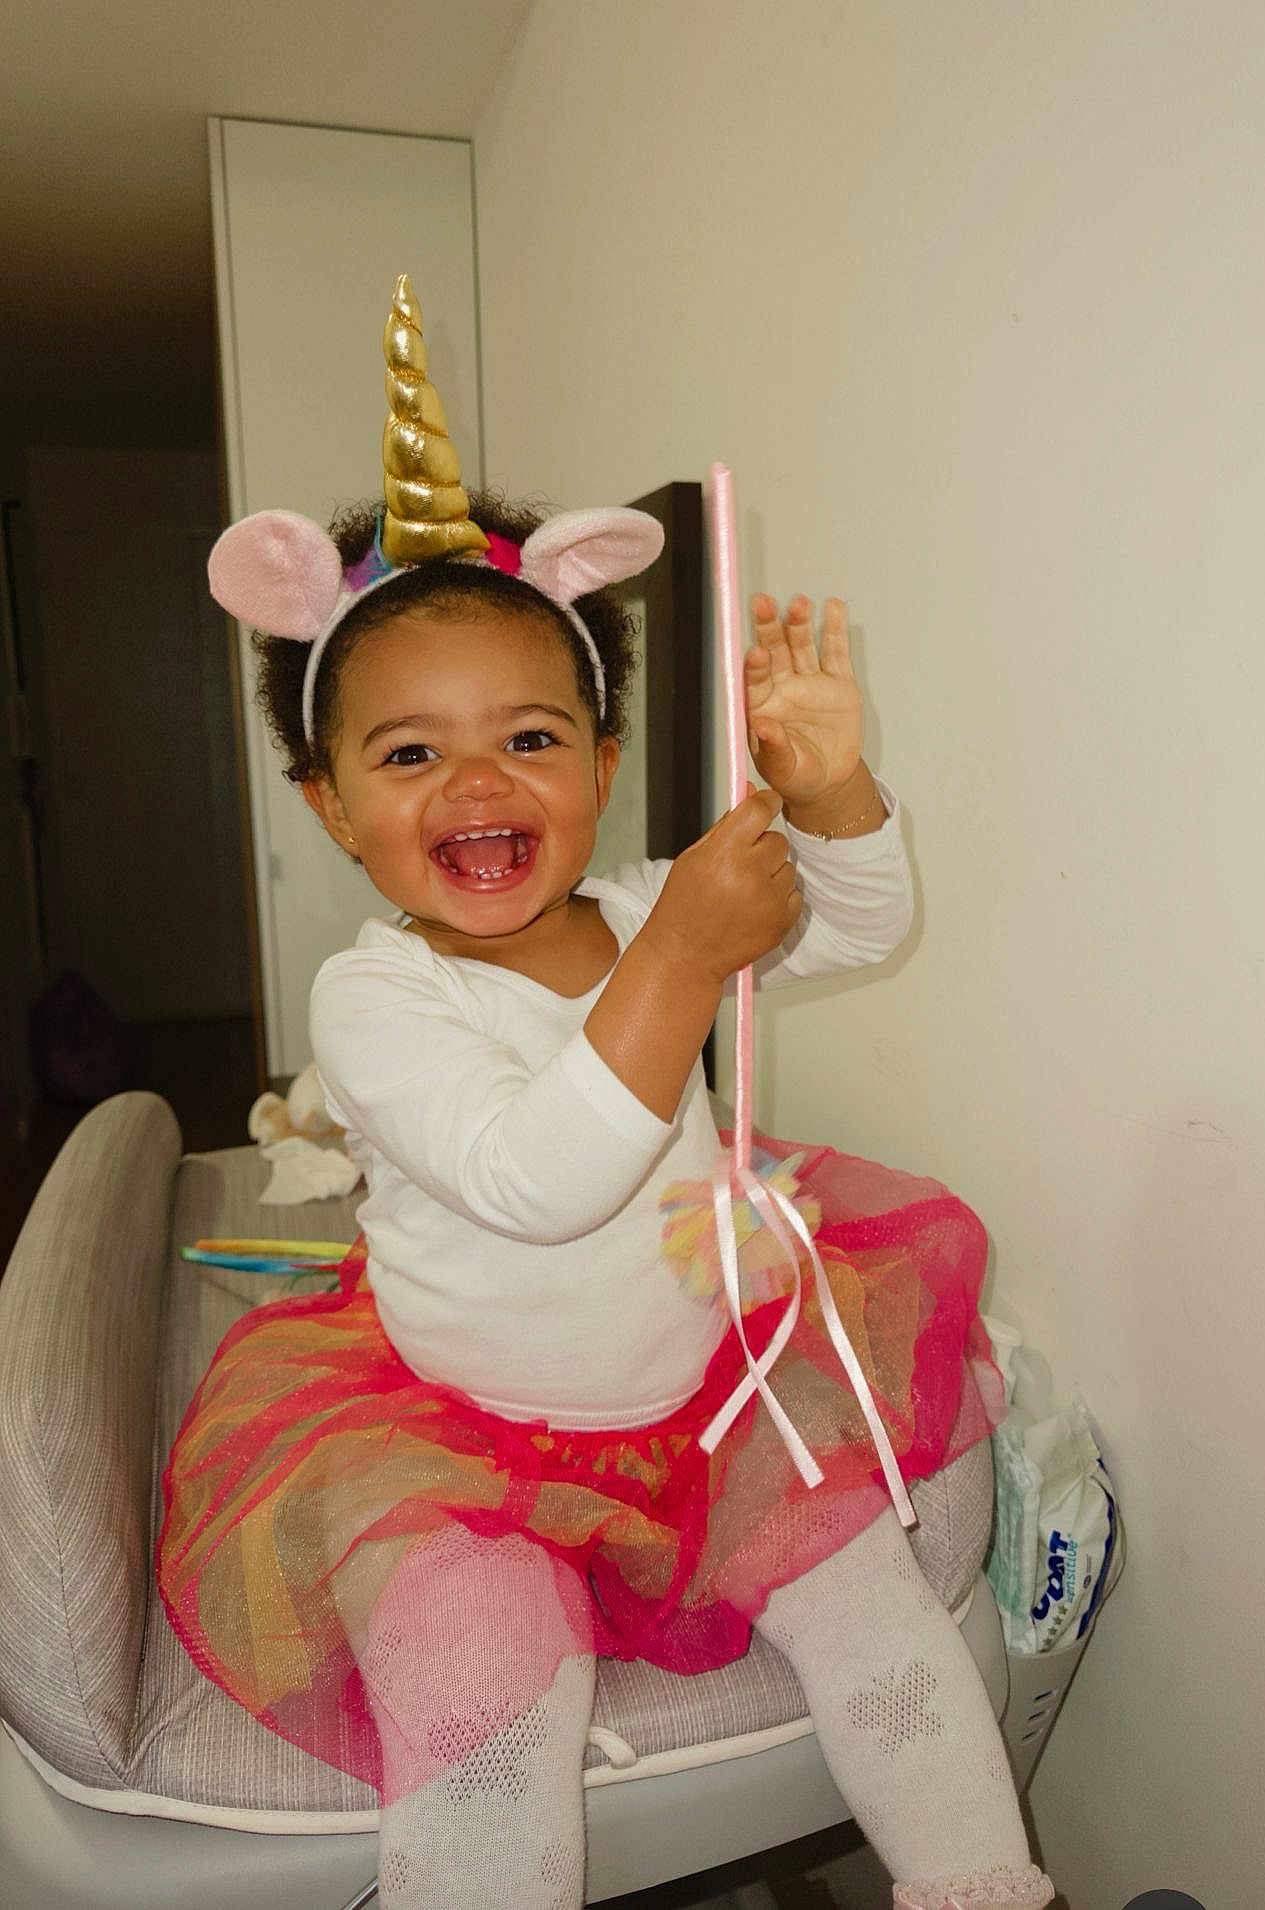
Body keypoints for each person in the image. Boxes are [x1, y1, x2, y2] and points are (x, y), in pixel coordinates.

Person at [158, 279, 1053, 1910]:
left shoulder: (648, 908)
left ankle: (984, 1888)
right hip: (458, 1435)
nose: (476, 781)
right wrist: (683, 956)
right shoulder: (375, 996)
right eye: (408, 755)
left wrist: (830, 792)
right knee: (479, 1692)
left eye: (529, 735)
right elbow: (532, 1176)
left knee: (877, 1613)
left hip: (703, 1395)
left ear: (599, 760)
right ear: (332, 805)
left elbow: (855, 926)